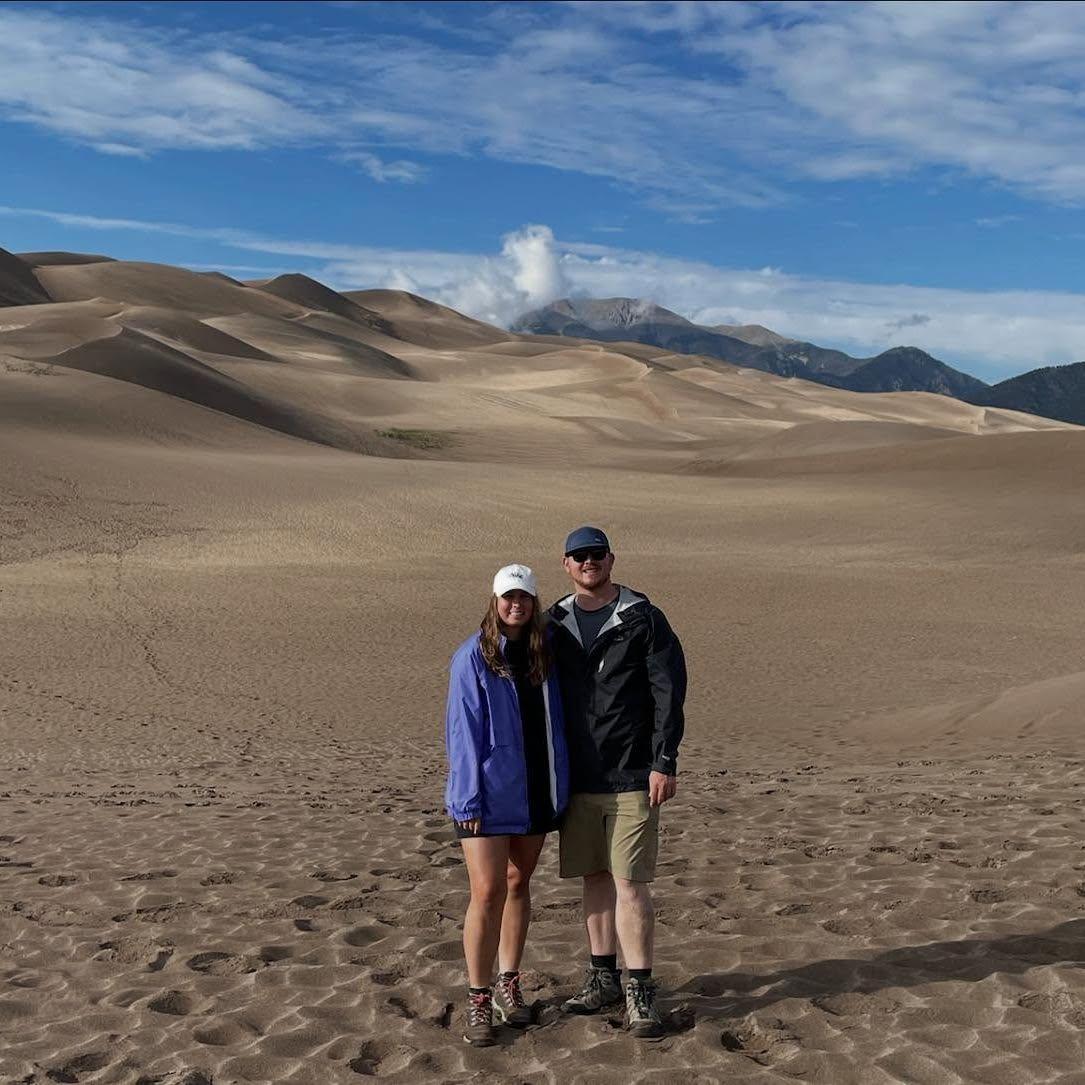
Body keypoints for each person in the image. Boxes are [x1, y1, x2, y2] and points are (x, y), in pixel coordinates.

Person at [548, 526, 686, 1040]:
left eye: (597, 554)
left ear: (611, 559)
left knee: (630, 882)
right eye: (579, 555)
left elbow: (669, 690)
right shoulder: (554, 622)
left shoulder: (643, 618)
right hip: (579, 777)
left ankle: (640, 989)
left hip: (632, 773)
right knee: (594, 878)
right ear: (566, 564)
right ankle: (602, 977)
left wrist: (664, 760)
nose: (589, 562)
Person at [444, 563, 570, 1048]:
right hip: (487, 795)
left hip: (536, 790)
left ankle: (507, 983)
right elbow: (463, 734)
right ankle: (478, 996)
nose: (516, 605)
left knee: (519, 883)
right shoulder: (473, 657)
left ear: (534, 603)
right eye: (508, 597)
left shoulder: (546, 653)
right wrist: (467, 798)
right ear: (495, 601)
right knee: (487, 890)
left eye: (524, 598)